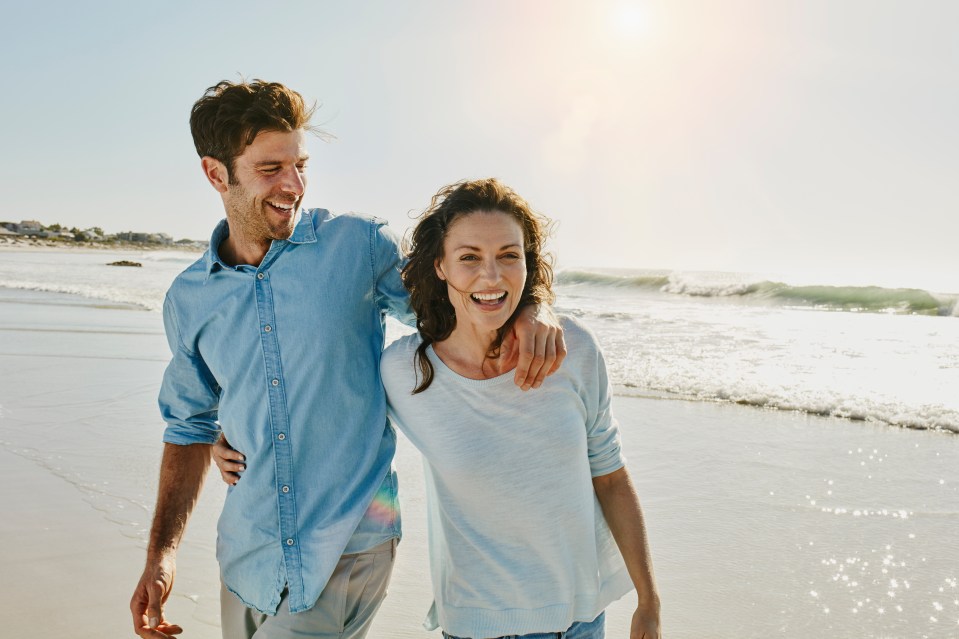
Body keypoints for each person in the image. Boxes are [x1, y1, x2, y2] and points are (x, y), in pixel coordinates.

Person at [129, 80, 565, 639]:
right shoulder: (190, 299)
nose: (294, 185)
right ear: (217, 174)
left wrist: (532, 305)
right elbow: (189, 424)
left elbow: (460, 300)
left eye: (300, 164)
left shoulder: (357, 245)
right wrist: (161, 557)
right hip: (246, 555)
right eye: (270, 169)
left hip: (348, 545)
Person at [217, 178, 662, 638]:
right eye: (469, 257)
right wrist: (231, 430)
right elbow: (324, 407)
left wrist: (649, 601)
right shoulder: (404, 372)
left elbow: (609, 476)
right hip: (476, 625)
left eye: (509, 255)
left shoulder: (571, 350)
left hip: (581, 621)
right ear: (441, 267)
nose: (491, 276)